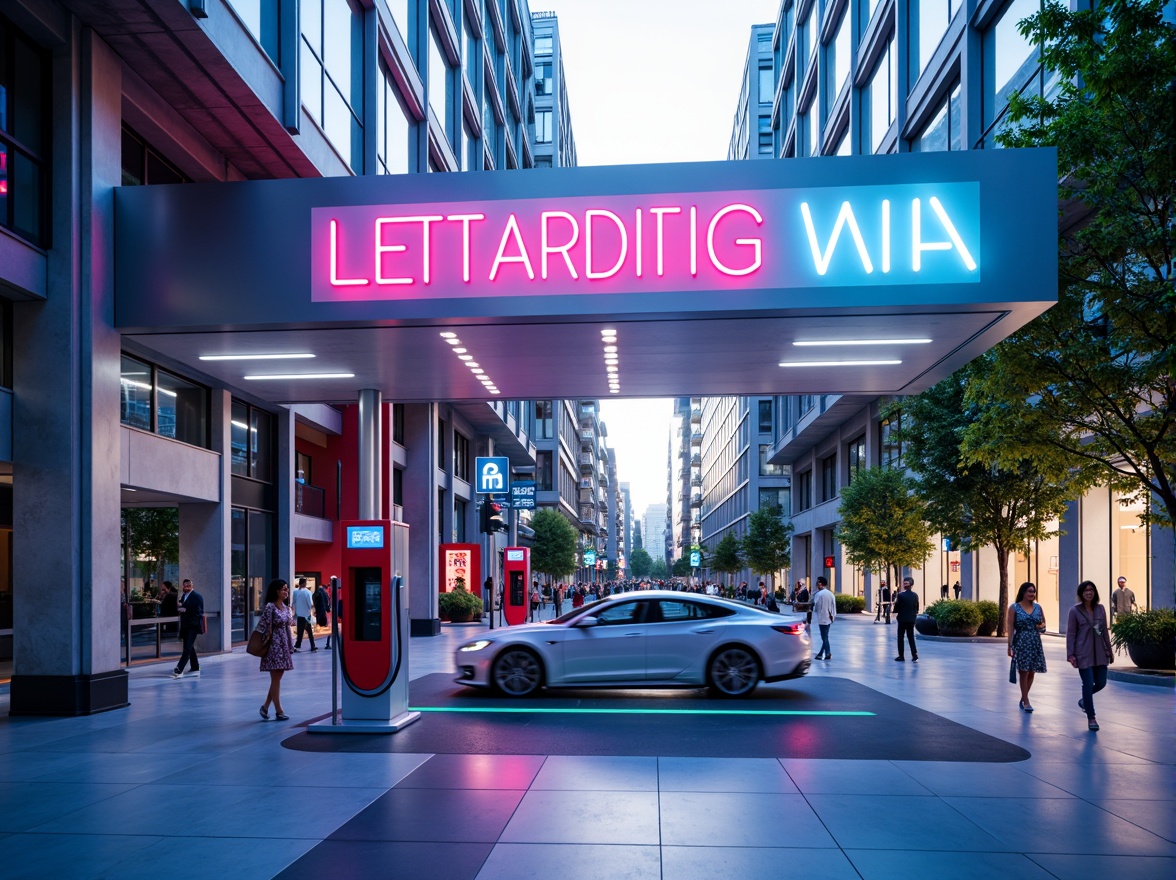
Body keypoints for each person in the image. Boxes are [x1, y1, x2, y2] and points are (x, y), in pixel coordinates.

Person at [1066, 580, 1114, 732]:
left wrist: (1110, 650)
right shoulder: (1075, 611)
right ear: (1081, 593)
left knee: (1101, 682)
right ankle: (1091, 717)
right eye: (1086, 590)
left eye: (1091, 590)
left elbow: (1105, 631)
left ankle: (1084, 701)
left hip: (1100, 652)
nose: (1089, 592)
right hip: (1083, 652)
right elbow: (1071, 634)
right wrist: (1070, 654)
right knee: (1088, 684)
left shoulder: (1101, 609)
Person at [257, 579, 294, 721]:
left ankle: (265, 707)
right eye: (284, 589)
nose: (286, 592)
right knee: (276, 677)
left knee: (277, 678)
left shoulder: (286, 608)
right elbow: (263, 626)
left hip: (283, 644)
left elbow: (288, 625)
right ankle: (279, 710)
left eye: (287, 589)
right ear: (277, 591)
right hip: (273, 645)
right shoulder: (270, 607)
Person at [1007, 581, 1047, 712]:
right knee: (1023, 671)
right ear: (1023, 592)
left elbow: (1043, 623)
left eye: (1033, 591)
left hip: (1035, 641)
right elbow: (1011, 627)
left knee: (1032, 671)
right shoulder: (1014, 608)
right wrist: (1010, 645)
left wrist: (1040, 627)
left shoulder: (1038, 607)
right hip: (1021, 641)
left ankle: (1024, 697)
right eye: (1029, 591)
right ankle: (1026, 701)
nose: (1032, 594)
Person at [173, 578, 204, 678]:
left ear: (192, 586)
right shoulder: (183, 596)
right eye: (185, 586)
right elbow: (182, 607)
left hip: (193, 626)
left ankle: (179, 669)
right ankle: (195, 666)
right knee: (189, 646)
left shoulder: (197, 597)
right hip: (185, 625)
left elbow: (199, 612)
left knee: (187, 648)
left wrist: (185, 610)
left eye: (188, 585)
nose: (186, 587)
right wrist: (180, 607)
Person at [894, 577, 920, 662]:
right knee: (911, 637)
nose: (904, 584)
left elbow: (896, 608)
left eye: (905, 583)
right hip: (911, 619)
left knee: (900, 637)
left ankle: (901, 655)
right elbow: (917, 608)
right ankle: (914, 654)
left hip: (902, 619)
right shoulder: (915, 595)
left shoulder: (901, 595)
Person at [812, 576, 836, 660]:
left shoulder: (818, 594)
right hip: (830, 617)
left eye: (818, 583)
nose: (817, 585)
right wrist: (833, 616)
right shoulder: (831, 594)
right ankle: (821, 653)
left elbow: (813, 606)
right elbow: (834, 606)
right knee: (825, 636)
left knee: (824, 637)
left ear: (820, 584)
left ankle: (827, 652)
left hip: (822, 618)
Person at [291, 576, 317, 652]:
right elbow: (310, 603)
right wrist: (312, 609)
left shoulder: (295, 592)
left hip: (299, 614)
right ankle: (312, 645)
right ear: (304, 583)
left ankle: (297, 645)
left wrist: (294, 612)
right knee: (309, 631)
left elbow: (293, 603)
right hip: (306, 615)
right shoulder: (308, 592)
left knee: (300, 631)